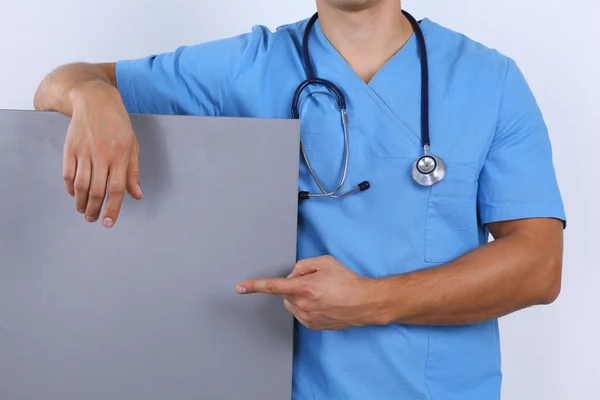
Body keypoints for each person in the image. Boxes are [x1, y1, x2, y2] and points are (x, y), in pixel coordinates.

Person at [33, 0, 566, 399]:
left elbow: (539, 266)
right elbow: (61, 82)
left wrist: (373, 301)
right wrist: (93, 95)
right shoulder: (247, 66)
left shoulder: (489, 81)